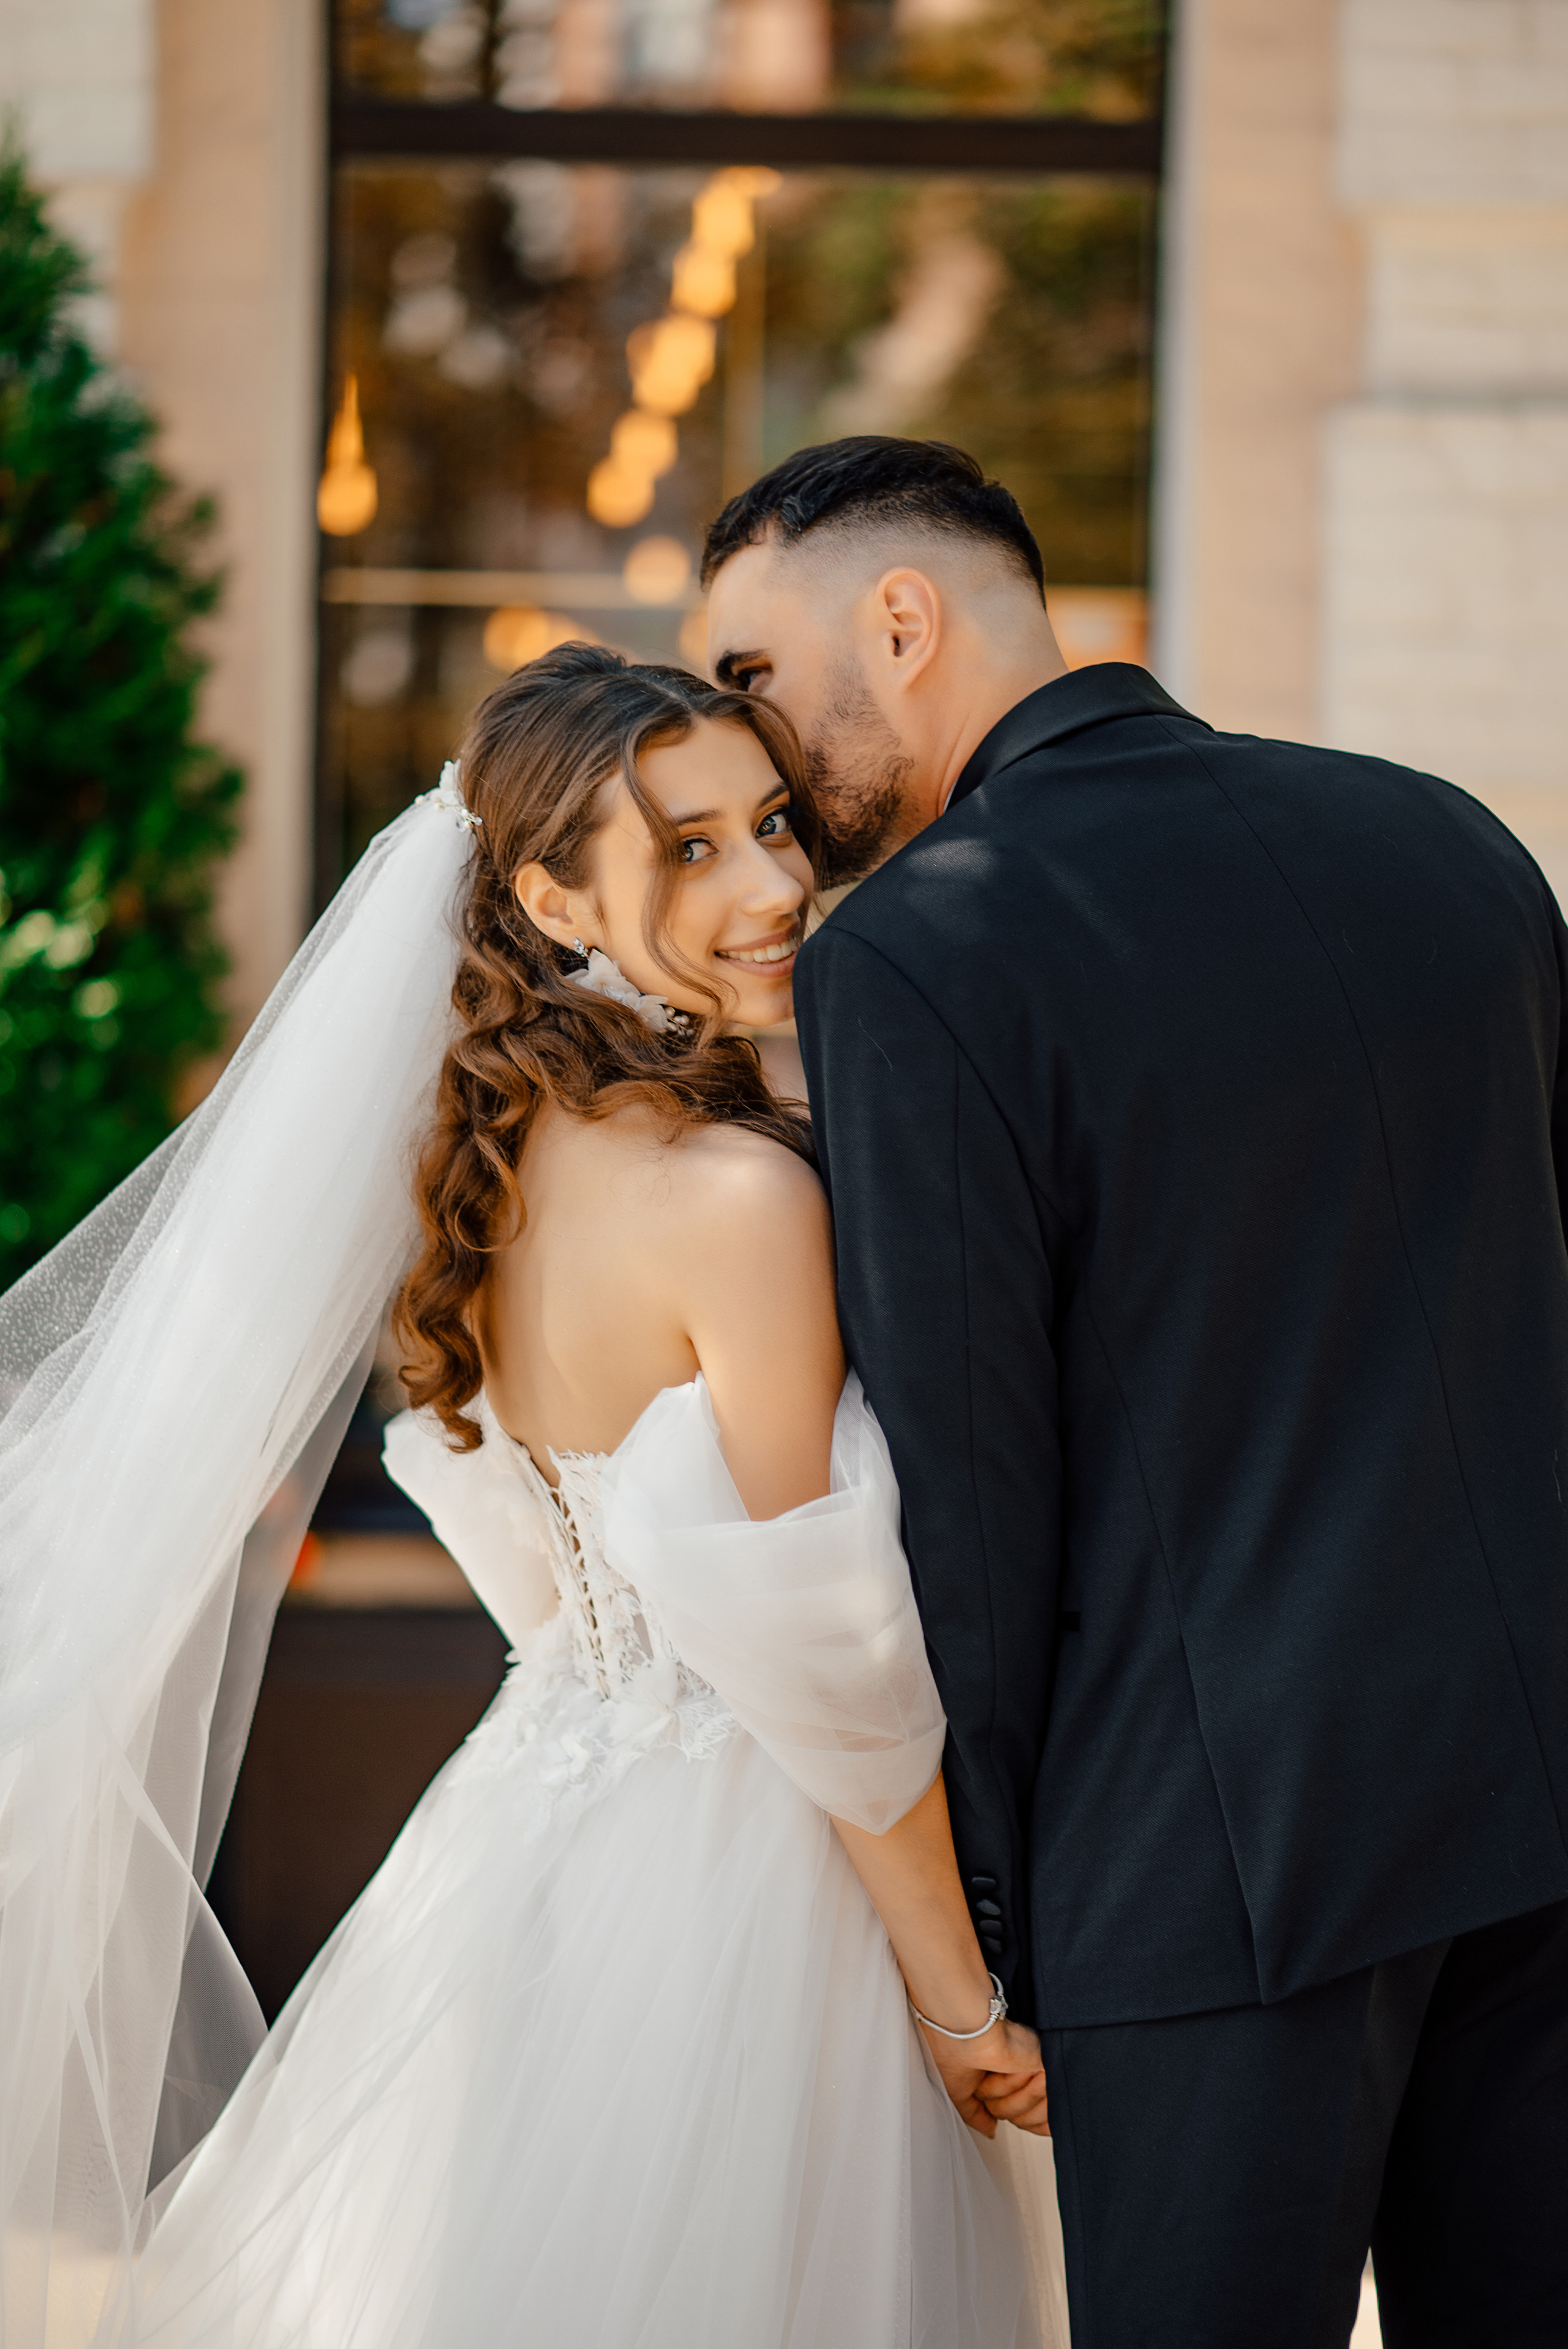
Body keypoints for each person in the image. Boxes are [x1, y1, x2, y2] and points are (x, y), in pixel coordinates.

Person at [0, 645, 1068, 2349]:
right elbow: (826, 1661)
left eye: (775, 825)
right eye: (693, 849)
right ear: (551, 893)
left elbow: (546, 1564)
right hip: (766, 1883)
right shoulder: (736, 1198)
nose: (781, 883)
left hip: (530, 1833)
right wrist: (959, 1999)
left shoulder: (477, 1175)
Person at [701, 434, 1568, 2347]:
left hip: (1207, 1874)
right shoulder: (1457, 843)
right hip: (1536, 1806)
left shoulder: (921, 955)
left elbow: (976, 1497)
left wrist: (989, 1931)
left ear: (903, 622)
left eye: (753, 675)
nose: (743, 743)